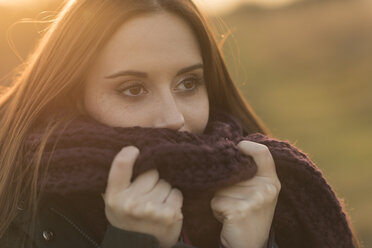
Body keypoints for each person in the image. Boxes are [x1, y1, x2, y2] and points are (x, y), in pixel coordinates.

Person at [0, 0, 359, 248]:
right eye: (133, 89)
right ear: (74, 96)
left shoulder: (265, 192)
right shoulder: (15, 202)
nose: (174, 118)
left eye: (188, 83)